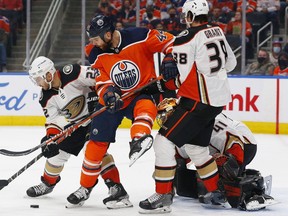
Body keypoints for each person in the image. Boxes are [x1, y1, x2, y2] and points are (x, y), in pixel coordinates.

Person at [66, 14, 175, 207]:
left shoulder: (140, 35)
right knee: (95, 144)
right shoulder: (94, 51)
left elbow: (171, 42)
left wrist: (169, 58)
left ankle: (139, 139)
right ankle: (85, 187)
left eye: (96, 38)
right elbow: (101, 79)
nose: (93, 42)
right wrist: (108, 93)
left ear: (108, 34)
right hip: (115, 100)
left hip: (142, 93)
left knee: (146, 107)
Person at [139, 0, 237, 213]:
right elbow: (231, 64)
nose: (185, 19)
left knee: (163, 142)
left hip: (197, 102)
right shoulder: (217, 30)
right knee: (196, 148)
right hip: (216, 102)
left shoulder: (186, 38)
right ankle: (215, 191)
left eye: (186, 15)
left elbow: (181, 79)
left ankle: (163, 195)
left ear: (190, 16)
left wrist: (161, 84)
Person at [27, 56, 132, 209]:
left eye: (38, 79)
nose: (38, 83)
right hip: (77, 124)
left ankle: (116, 188)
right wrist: (50, 137)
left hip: (98, 115)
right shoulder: (45, 97)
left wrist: (103, 95)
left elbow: (100, 77)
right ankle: (48, 183)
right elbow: (54, 121)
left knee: (94, 151)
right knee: (57, 154)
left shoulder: (73, 72)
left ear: (48, 74)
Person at [172, 110, 277, 211]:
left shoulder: (211, 124)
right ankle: (234, 183)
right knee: (194, 179)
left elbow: (235, 142)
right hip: (223, 146)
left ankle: (251, 192)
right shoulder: (186, 126)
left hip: (244, 143)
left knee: (222, 166)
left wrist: (231, 173)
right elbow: (179, 159)